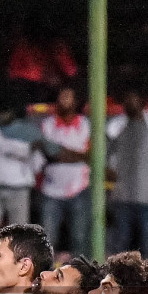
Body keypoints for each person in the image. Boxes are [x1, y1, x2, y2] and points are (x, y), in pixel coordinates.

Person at [107, 91, 148, 259]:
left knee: (145, 242)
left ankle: (147, 280)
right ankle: (120, 278)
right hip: (125, 195)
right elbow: (108, 161)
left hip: (146, 196)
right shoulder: (117, 132)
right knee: (126, 242)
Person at [0, 97, 42, 255]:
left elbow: (37, 159)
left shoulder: (27, 131)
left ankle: (18, 272)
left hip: (18, 189)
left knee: (18, 235)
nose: (1, 116)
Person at [38, 85, 91, 254]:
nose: (63, 100)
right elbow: (47, 154)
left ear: (75, 102)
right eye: (61, 97)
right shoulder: (47, 125)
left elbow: (90, 155)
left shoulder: (85, 125)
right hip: (51, 190)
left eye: (67, 96)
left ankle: (80, 278)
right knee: (48, 240)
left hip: (79, 189)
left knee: (79, 239)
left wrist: (60, 153)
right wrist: (77, 156)